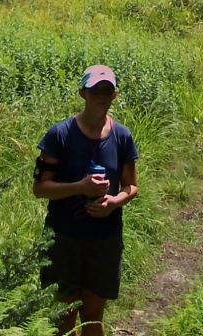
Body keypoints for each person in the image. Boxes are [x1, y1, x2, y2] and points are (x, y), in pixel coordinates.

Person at [33, 64, 139, 336]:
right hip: (64, 237)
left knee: (92, 317)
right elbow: (40, 188)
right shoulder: (60, 135)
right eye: (95, 90)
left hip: (104, 238)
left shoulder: (122, 137)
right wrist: (79, 186)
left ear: (114, 95)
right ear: (82, 93)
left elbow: (131, 185)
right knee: (64, 318)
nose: (101, 96)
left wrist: (114, 202)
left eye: (107, 90)